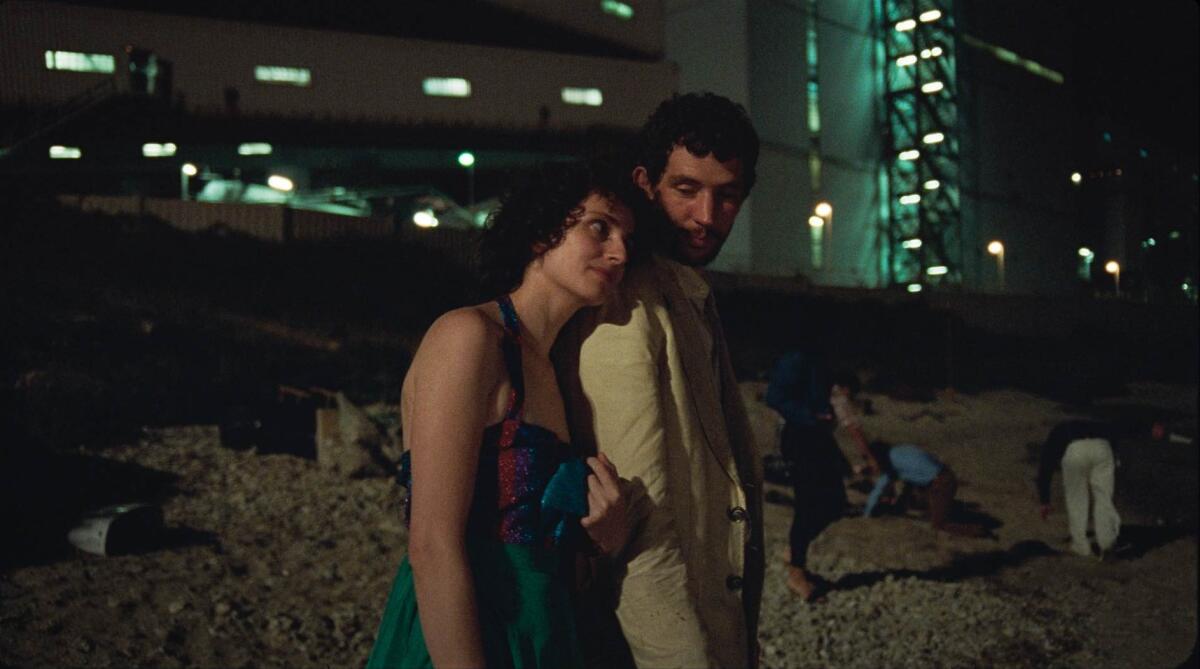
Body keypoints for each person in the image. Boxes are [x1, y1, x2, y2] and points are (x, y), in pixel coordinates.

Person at [366, 160, 640, 669]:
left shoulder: (552, 367)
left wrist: (602, 539)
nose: (620, 252)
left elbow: (538, 532)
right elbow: (431, 545)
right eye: (599, 227)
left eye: (627, 236)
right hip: (464, 636)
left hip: (543, 629)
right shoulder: (469, 336)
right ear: (541, 233)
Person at [558, 92, 764, 669]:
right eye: (686, 189)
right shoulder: (625, 305)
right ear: (645, 183)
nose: (706, 215)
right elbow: (639, 519)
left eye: (726, 196)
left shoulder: (686, 292)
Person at [764, 351, 876, 602]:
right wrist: (811, 417)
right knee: (807, 505)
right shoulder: (798, 358)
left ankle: (794, 550)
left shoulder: (823, 363)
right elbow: (775, 397)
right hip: (801, 437)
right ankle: (796, 573)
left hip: (817, 438)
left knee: (836, 503)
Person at [1035, 419, 1165, 558]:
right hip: (1102, 447)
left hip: (1075, 450)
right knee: (1104, 498)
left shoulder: (1060, 429)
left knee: (1077, 500)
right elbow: (1125, 428)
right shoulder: (1099, 423)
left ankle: (1081, 547)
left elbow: (1046, 463)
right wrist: (1149, 428)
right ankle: (1107, 543)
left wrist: (1044, 500)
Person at [863, 440, 983, 536]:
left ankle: (978, 531)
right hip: (943, 476)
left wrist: (866, 515)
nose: (871, 463)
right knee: (911, 491)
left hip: (941, 483)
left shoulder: (893, 463)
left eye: (871, 460)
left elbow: (878, 490)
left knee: (939, 525)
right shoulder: (899, 451)